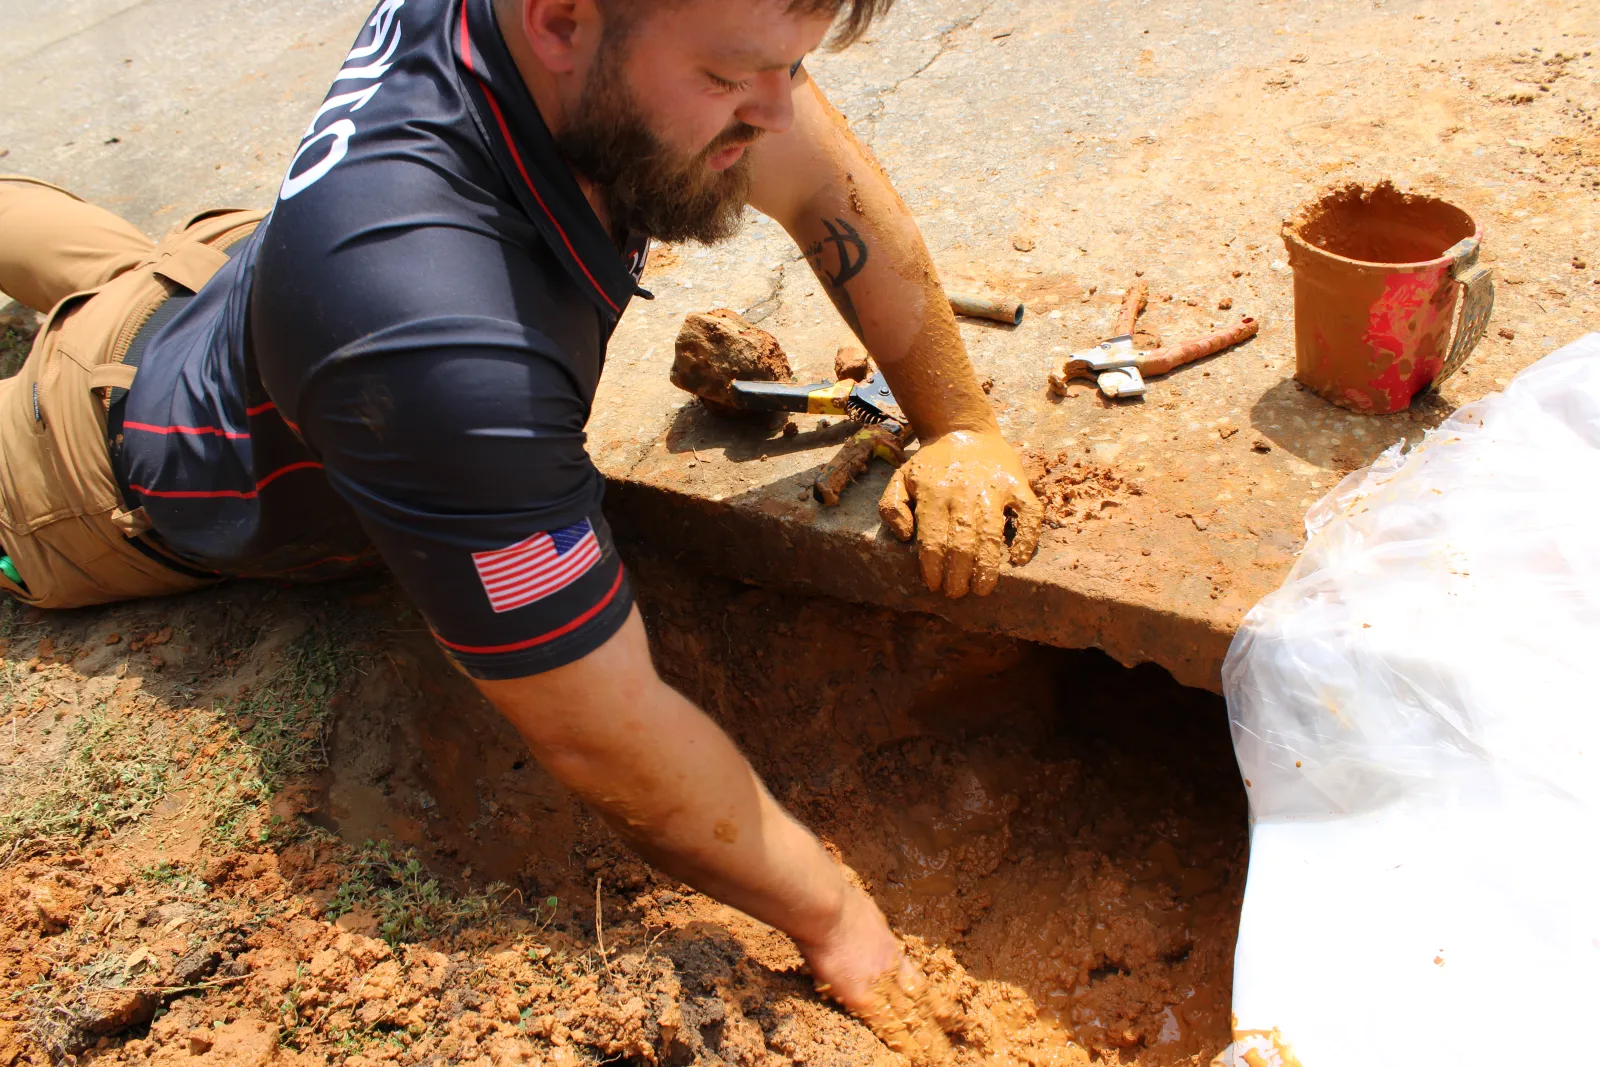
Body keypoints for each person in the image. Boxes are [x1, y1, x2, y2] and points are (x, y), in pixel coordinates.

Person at [0, 0, 1043, 1048]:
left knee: (105, 266)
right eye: (732, 81)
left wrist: (959, 425)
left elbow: (819, 183)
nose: (777, 113)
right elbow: (602, 731)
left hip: (221, 274)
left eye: (789, 68)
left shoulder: (605, 42)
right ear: (560, 22)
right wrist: (839, 919)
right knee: (86, 354)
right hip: (81, 470)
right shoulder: (433, 349)